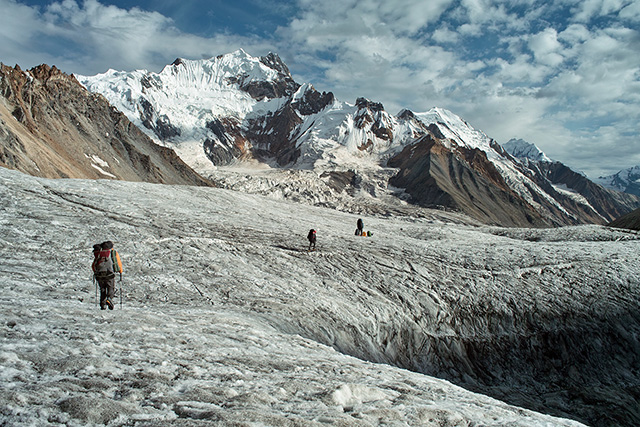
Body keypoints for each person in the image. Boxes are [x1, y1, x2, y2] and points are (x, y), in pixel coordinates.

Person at [92, 241, 122, 310]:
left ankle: (103, 305)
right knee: (110, 287)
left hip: (99, 274)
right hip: (109, 274)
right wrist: (120, 271)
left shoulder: (98, 254)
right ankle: (109, 299)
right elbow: (117, 262)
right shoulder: (112, 253)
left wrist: (96, 272)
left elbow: (93, 265)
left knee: (102, 289)